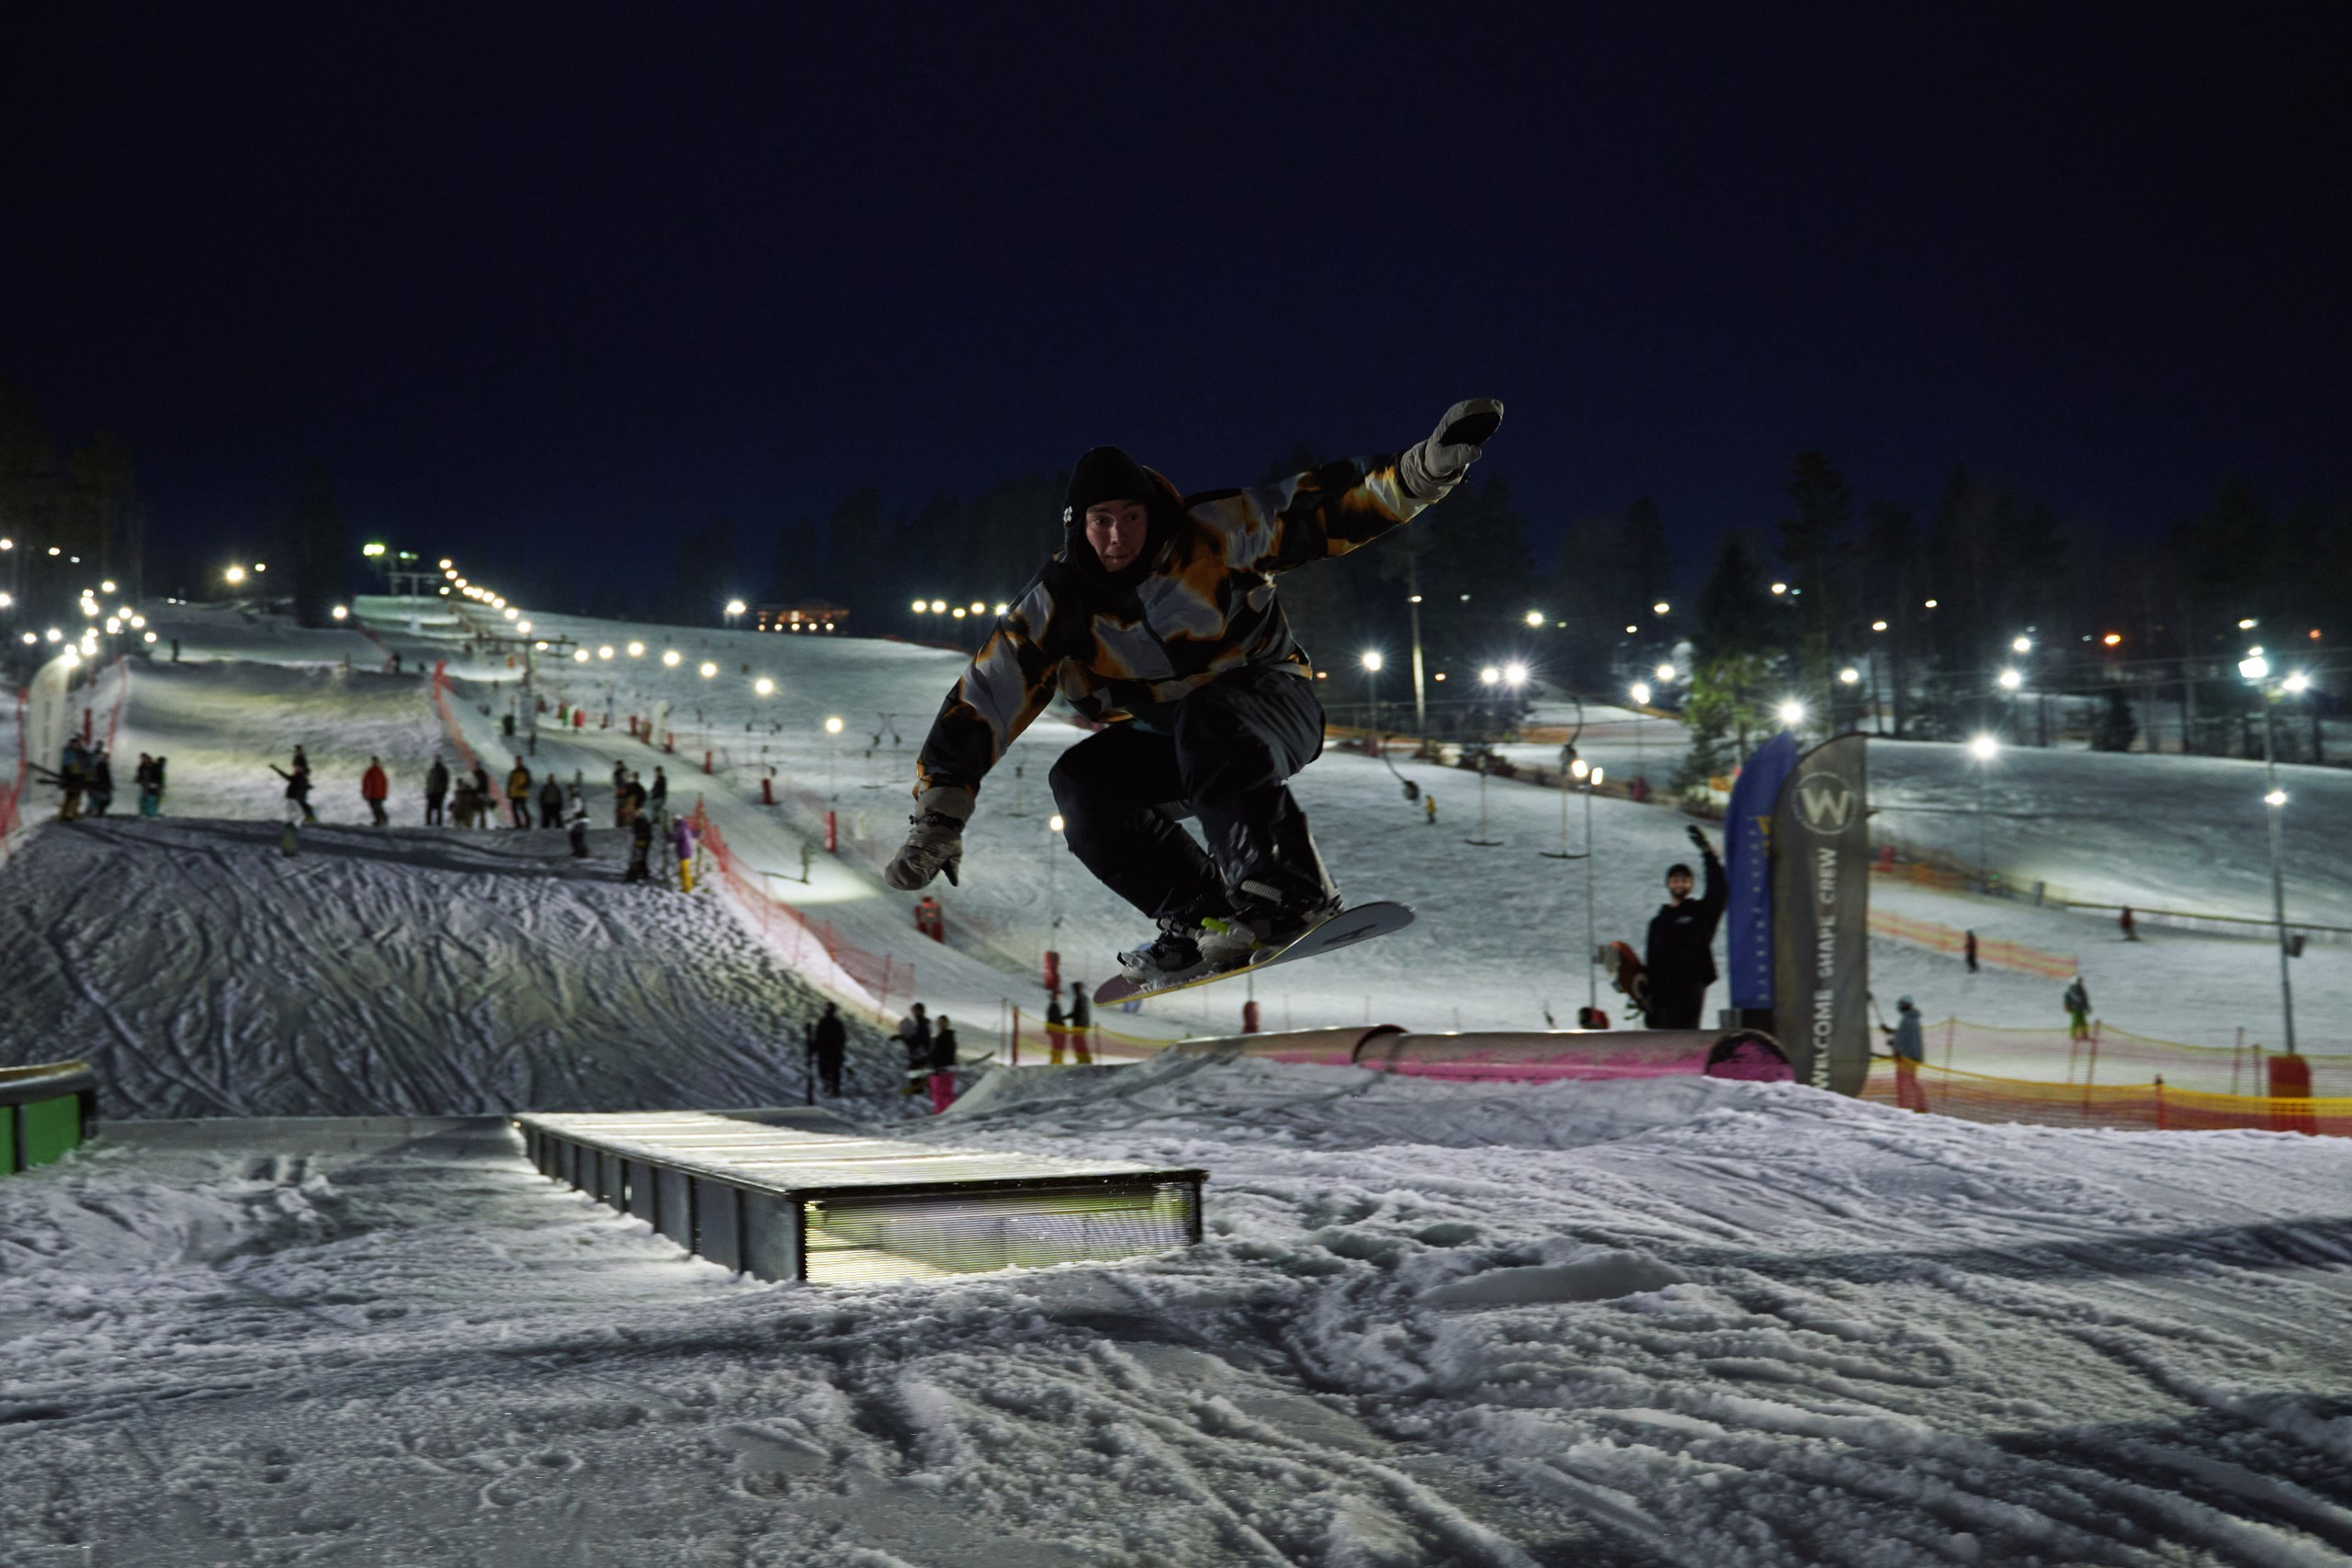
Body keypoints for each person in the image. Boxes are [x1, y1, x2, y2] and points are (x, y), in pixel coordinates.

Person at [884, 398, 1504, 989]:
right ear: (1079, 527)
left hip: (1275, 705)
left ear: (1152, 513)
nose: (1118, 537)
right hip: (1183, 739)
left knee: (1209, 716)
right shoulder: (1056, 605)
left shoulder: (1213, 534)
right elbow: (986, 695)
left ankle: (1292, 891)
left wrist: (1424, 468)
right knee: (1080, 781)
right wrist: (939, 816)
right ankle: (1198, 911)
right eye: (1102, 522)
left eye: (1131, 518)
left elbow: (1326, 507)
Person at [1645, 825, 1725, 1029]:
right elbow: (1651, 961)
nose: (1679, 884)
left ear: (1690, 884)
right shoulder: (1658, 922)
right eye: (1675, 880)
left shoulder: (1700, 913)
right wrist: (1646, 998)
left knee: (1686, 1034)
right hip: (1663, 992)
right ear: (1668, 884)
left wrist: (1708, 854)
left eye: (1684, 880)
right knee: (1662, 1039)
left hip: (1691, 985)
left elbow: (1719, 891)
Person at [1883, 995, 1927, 1111]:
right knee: (1910, 1081)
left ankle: (1908, 1105)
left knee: (1904, 1082)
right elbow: (1903, 1034)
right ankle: (1918, 1104)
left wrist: (1894, 1043)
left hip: (1907, 1057)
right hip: (1912, 1056)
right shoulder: (1912, 1019)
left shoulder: (1907, 1020)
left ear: (1907, 1005)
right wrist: (1892, 1032)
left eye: (1902, 1004)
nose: (1900, 1007)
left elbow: (1902, 1039)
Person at [896, 1003, 932, 1096]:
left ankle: (918, 1090)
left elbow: (919, 1038)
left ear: (919, 1011)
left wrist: (904, 1039)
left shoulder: (922, 1023)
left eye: (915, 1010)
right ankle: (919, 1088)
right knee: (914, 1070)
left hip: (920, 1051)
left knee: (913, 1070)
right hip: (920, 1051)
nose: (913, 1012)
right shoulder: (921, 1022)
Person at [928, 1016, 960, 1112]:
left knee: (944, 1093)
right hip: (937, 1070)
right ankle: (939, 1111)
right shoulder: (939, 1037)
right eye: (939, 1022)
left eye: (943, 1022)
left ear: (947, 1023)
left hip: (944, 1070)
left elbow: (949, 1053)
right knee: (937, 1093)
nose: (941, 1024)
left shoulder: (947, 1037)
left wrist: (943, 1066)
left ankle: (946, 1112)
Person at [1067, 980, 1093, 1065]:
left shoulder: (1080, 998)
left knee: (1078, 1041)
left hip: (1079, 1025)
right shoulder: (1083, 997)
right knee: (1080, 1041)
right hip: (1082, 1025)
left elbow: (1078, 1013)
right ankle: (1084, 1059)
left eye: (1074, 989)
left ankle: (1084, 1059)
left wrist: (1064, 1017)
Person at [361, 755, 390, 826]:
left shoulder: (376, 771)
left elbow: (384, 783)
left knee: (376, 807)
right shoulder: (373, 771)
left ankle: (382, 820)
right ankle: (380, 820)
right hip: (373, 793)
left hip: (377, 794)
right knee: (375, 807)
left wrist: (364, 792)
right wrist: (364, 792)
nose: (375, 762)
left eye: (375, 761)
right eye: (374, 761)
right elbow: (365, 783)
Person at [2064, 976, 2093, 1043]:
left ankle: (2084, 1034)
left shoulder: (2082, 989)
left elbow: (2085, 999)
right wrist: (2066, 1005)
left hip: (2081, 1008)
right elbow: (2067, 997)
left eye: (2080, 981)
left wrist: (2088, 1007)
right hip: (2074, 1009)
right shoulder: (2071, 989)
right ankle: (2073, 1035)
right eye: (2078, 981)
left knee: (2083, 1022)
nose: (2080, 983)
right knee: (2075, 1022)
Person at [505, 757, 533, 829]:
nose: (518, 762)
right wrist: (509, 792)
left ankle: (528, 823)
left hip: (522, 793)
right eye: (517, 761)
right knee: (515, 809)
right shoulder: (513, 772)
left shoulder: (525, 771)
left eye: (519, 761)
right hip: (515, 793)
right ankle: (518, 824)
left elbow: (529, 781)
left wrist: (524, 786)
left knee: (522, 808)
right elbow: (510, 783)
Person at [626, 811, 653, 881]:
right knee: (642, 857)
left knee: (637, 857)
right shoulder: (646, 821)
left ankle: (634, 874)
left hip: (640, 841)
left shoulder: (639, 822)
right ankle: (644, 873)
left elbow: (635, 830)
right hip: (645, 841)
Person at [86, 748, 114, 817]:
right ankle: (98, 812)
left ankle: (99, 811)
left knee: (102, 799)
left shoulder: (102, 764)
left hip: (102, 785)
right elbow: (104, 776)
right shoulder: (101, 765)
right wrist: (108, 784)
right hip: (101, 785)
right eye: (106, 757)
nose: (107, 759)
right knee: (104, 799)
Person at [424, 754, 449, 825]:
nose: (437, 760)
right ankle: (428, 822)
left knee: (439, 809)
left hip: (439, 792)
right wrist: (427, 791)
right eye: (436, 758)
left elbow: (445, 782)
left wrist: (444, 791)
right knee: (429, 809)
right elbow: (428, 782)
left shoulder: (443, 770)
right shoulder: (432, 770)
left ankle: (439, 823)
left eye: (438, 759)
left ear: (440, 759)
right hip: (432, 792)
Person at [134, 753, 162, 818]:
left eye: (145, 758)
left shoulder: (154, 766)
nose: (144, 760)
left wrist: (157, 784)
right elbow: (139, 775)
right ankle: (144, 813)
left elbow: (158, 776)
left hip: (152, 785)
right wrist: (138, 780)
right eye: (143, 758)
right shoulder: (142, 766)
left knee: (151, 800)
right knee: (144, 800)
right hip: (145, 785)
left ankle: (151, 814)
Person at [1045, 994, 1069, 1065]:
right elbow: (1055, 1018)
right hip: (1057, 1030)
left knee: (1057, 1045)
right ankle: (1056, 1060)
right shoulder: (1054, 1006)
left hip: (1056, 1030)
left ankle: (1056, 1060)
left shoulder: (1053, 1006)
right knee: (1058, 1045)